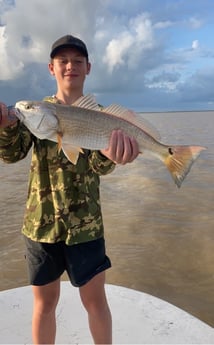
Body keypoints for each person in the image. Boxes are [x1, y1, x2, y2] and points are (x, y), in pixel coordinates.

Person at [0, 34, 139, 344]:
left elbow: (100, 166)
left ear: (88, 68)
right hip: (40, 226)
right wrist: (7, 126)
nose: (70, 66)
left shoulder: (104, 118)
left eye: (77, 61)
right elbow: (11, 155)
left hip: (86, 227)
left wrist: (113, 155)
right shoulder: (36, 111)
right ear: (51, 68)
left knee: (95, 302)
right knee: (44, 305)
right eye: (63, 61)